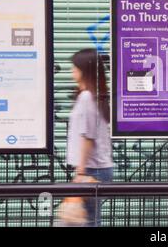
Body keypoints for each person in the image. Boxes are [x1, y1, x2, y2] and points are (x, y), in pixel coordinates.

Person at [66, 48, 113, 227]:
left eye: (75, 67)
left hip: (92, 169)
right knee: (88, 219)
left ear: (85, 70)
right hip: (96, 168)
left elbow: (88, 137)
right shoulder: (94, 96)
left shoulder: (87, 97)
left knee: (89, 221)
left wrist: (81, 171)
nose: (72, 71)